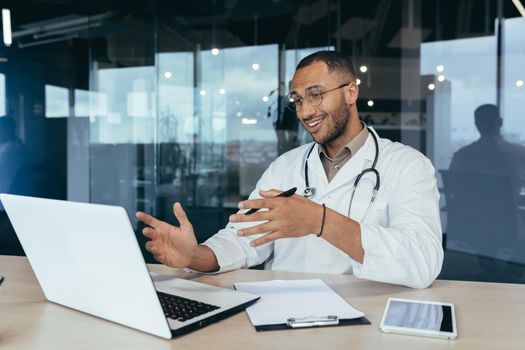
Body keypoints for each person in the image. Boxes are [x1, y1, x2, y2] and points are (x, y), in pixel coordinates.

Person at [136, 51, 443, 288]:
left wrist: (320, 221)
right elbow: (245, 238)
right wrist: (195, 256)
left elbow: (424, 261)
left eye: (316, 95)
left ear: (351, 92)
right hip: (283, 317)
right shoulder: (285, 167)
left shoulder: (408, 166)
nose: (305, 111)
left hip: (365, 320)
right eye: (297, 100)